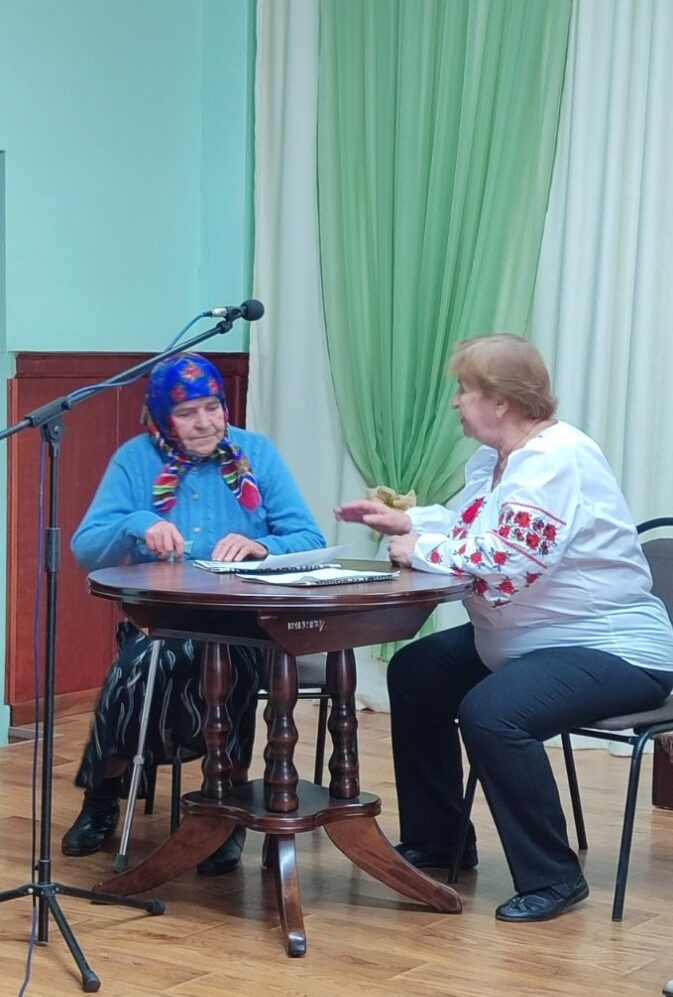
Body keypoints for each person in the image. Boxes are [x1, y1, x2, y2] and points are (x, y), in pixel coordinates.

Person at [335, 333, 673, 922]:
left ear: (500, 400)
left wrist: (420, 549)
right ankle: (439, 841)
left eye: (463, 390)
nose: (455, 402)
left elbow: (511, 557)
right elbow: (471, 525)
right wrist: (408, 522)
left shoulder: (556, 459)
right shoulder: (497, 460)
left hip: (610, 647)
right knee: (416, 670)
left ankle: (553, 877)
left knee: (494, 713)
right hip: (527, 642)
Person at [63, 352, 324, 874]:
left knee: (228, 662)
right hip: (161, 620)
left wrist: (262, 547)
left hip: (245, 624)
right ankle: (104, 794)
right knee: (143, 666)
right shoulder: (135, 459)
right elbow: (85, 548)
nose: (205, 422)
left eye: (212, 408)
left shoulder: (256, 453)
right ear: (163, 418)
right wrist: (138, 522)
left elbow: (309, 538)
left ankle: (223, 808)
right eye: (187, 413)